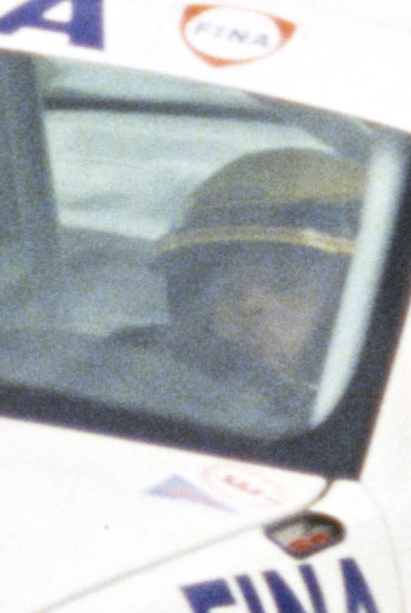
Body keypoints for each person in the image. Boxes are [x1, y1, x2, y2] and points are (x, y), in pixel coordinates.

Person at [152, 145, 362, 414]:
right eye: (229, 287)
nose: (249, 304)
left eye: (286, 285)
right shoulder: (144, 384)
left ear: (343, 306)